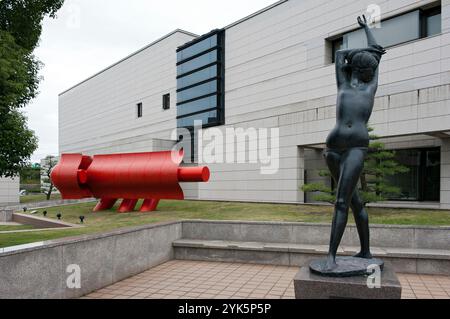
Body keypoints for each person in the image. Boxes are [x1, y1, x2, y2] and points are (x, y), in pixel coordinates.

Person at [324, 15, 386, 270]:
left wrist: (366, 31)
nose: (372, 70)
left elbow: (378, 53)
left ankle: (331, 256)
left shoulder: (371, 87)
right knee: (354, 200)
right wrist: (358, 52)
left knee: (341, 201)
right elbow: (339, 54)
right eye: (367, 67)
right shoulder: (343, 83)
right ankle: (366, 251)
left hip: (356, 148)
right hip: (333, 148)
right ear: (359, 68)